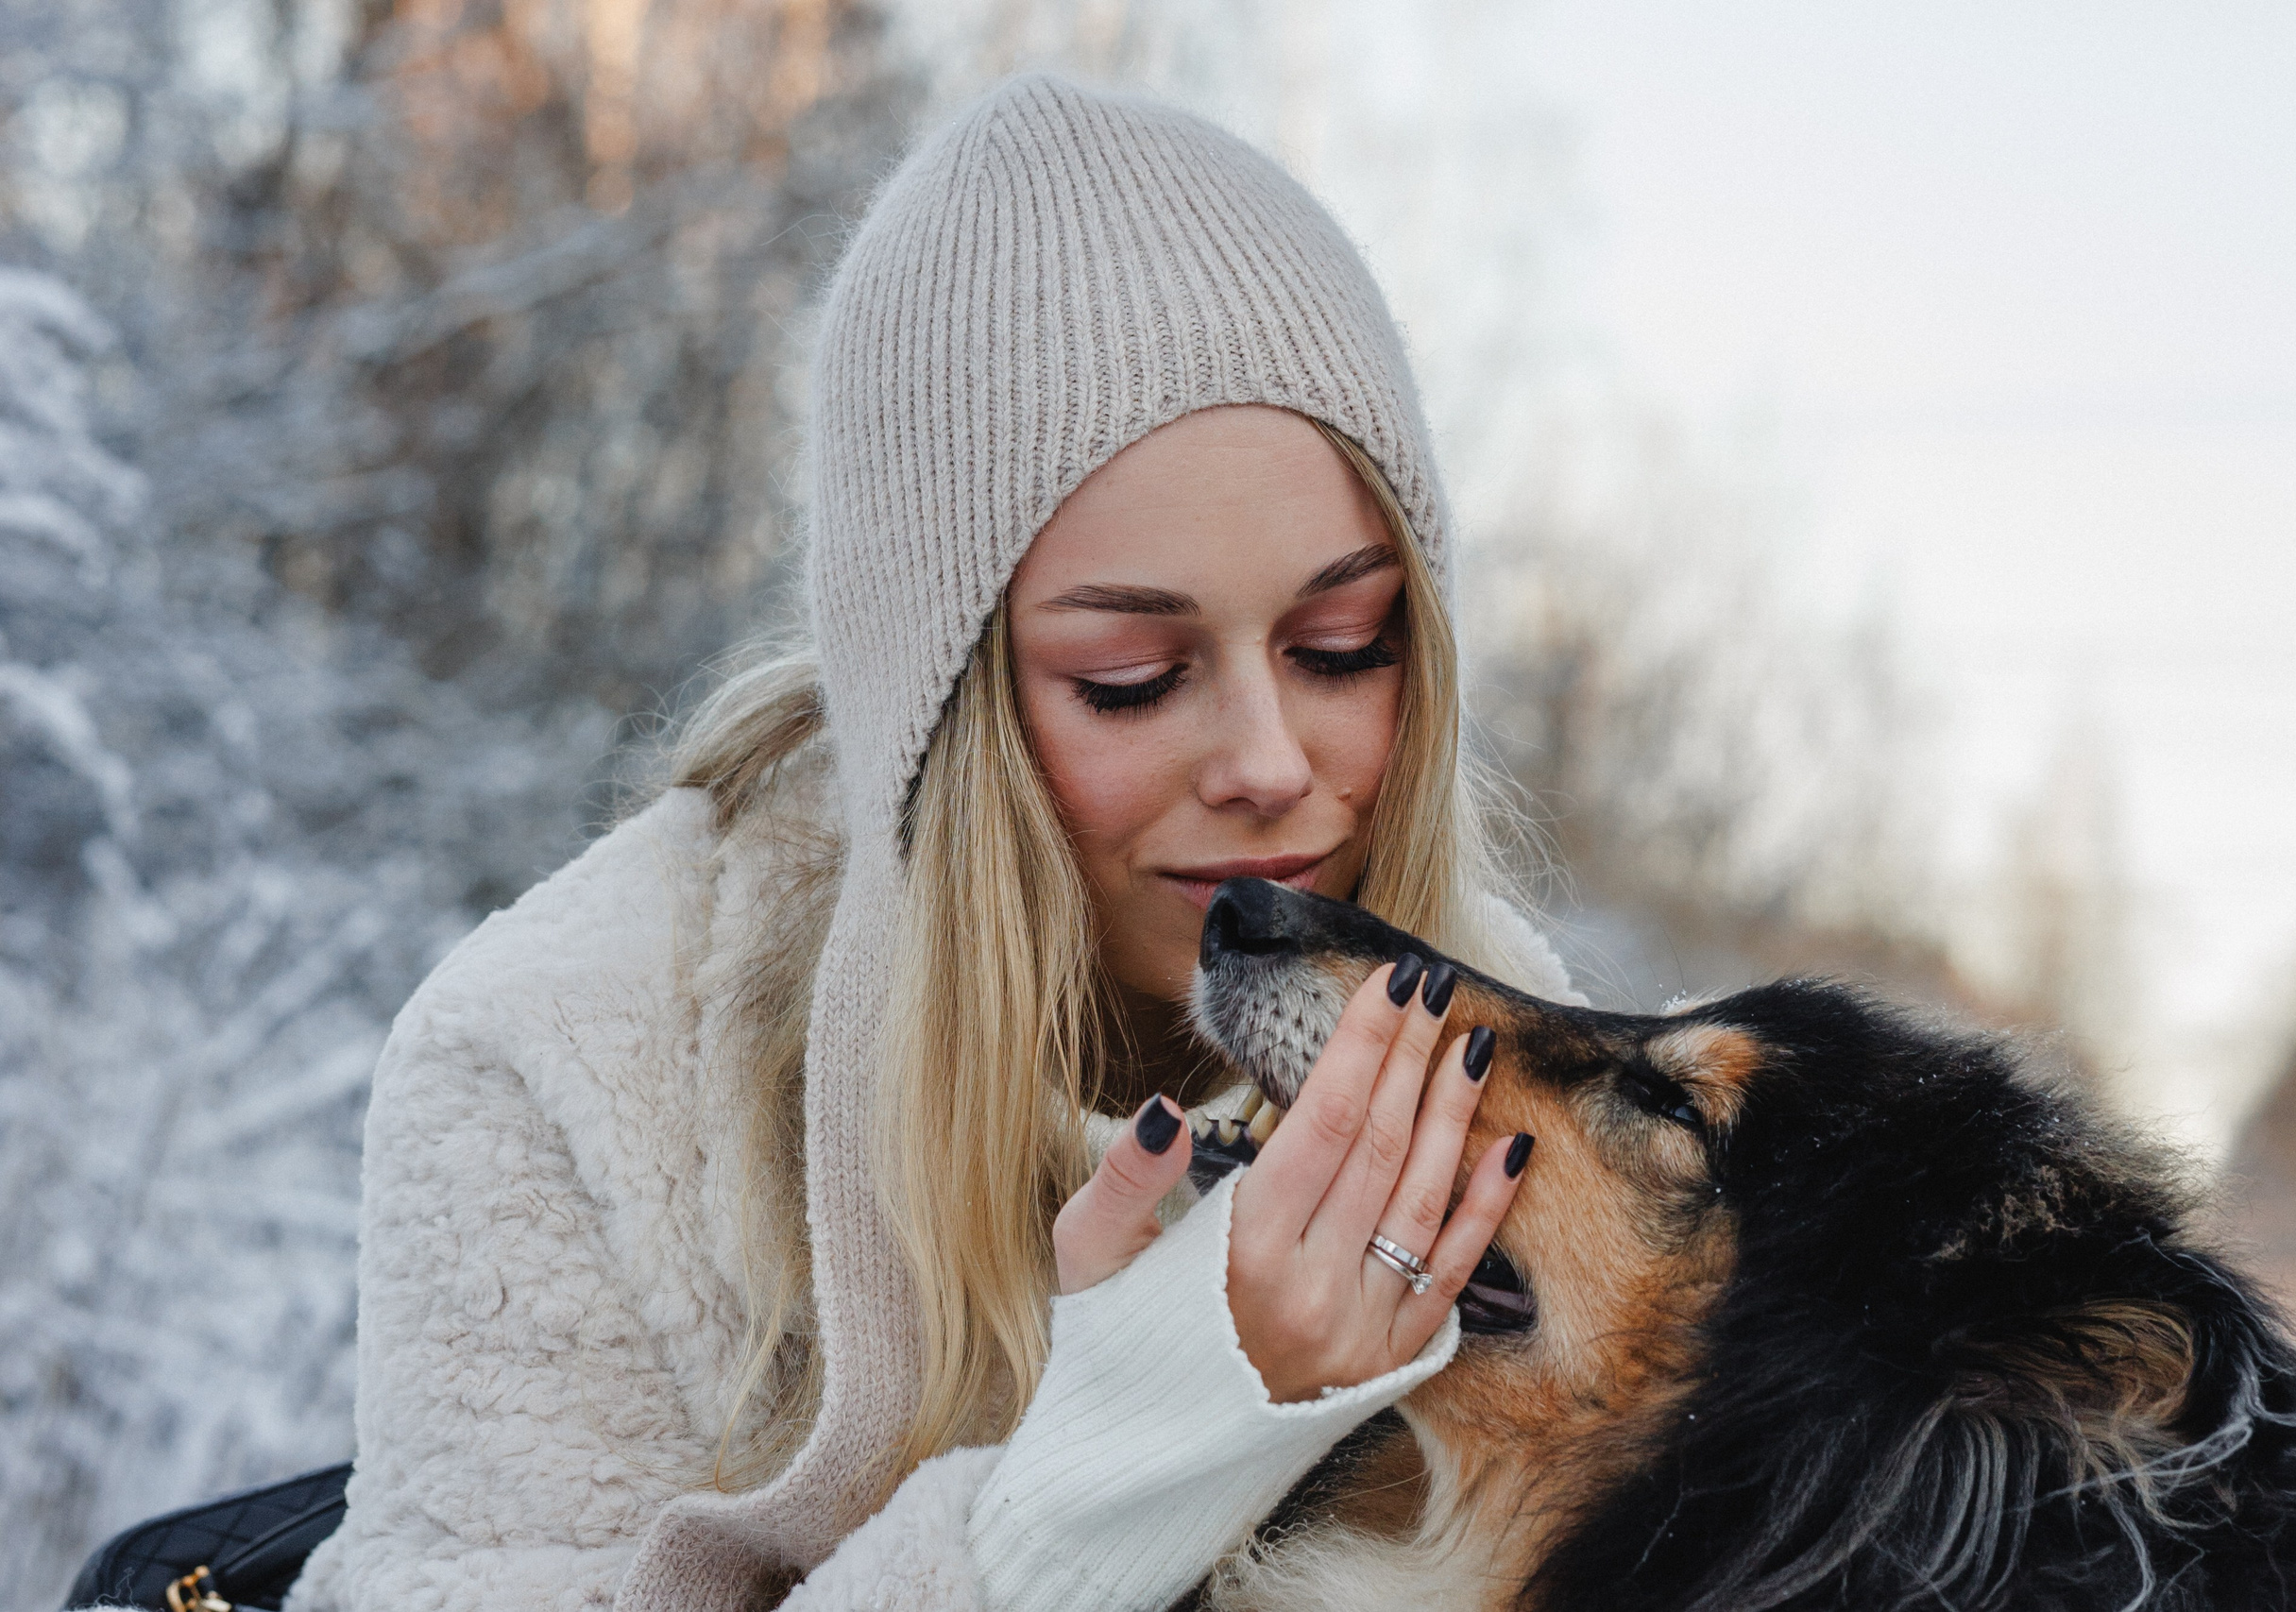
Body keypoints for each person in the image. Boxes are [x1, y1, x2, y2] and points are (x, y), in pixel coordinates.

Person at [284, 74, 1580, 1612]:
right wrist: (1097, 1485)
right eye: (1131, 678)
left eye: (1344, 645)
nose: (1268, 762)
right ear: (944, 704)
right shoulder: (562, 1069)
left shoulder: (1505, 1043)